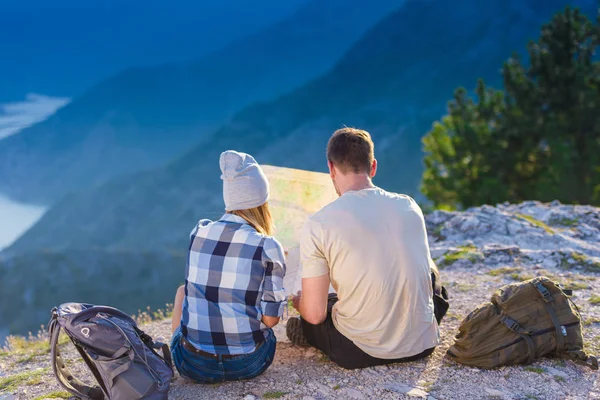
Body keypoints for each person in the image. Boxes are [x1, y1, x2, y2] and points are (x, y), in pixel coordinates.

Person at [286, 127, 442, 370]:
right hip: (423, 343)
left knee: (316, 312)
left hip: (358, 351)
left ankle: (309, 334)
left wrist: (300, 302)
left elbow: (316, 314)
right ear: (373, 167)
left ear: (331, 168)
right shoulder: (409, 206)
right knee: (433, 278)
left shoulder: (320, 222)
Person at [170, 150, 287, 383]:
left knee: (182, 292)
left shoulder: (199, 232)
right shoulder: (268, 245)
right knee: (264, 325)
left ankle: (178, 354)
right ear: (263, 202)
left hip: (193, 365)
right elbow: (271, 321)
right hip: (247, 364)